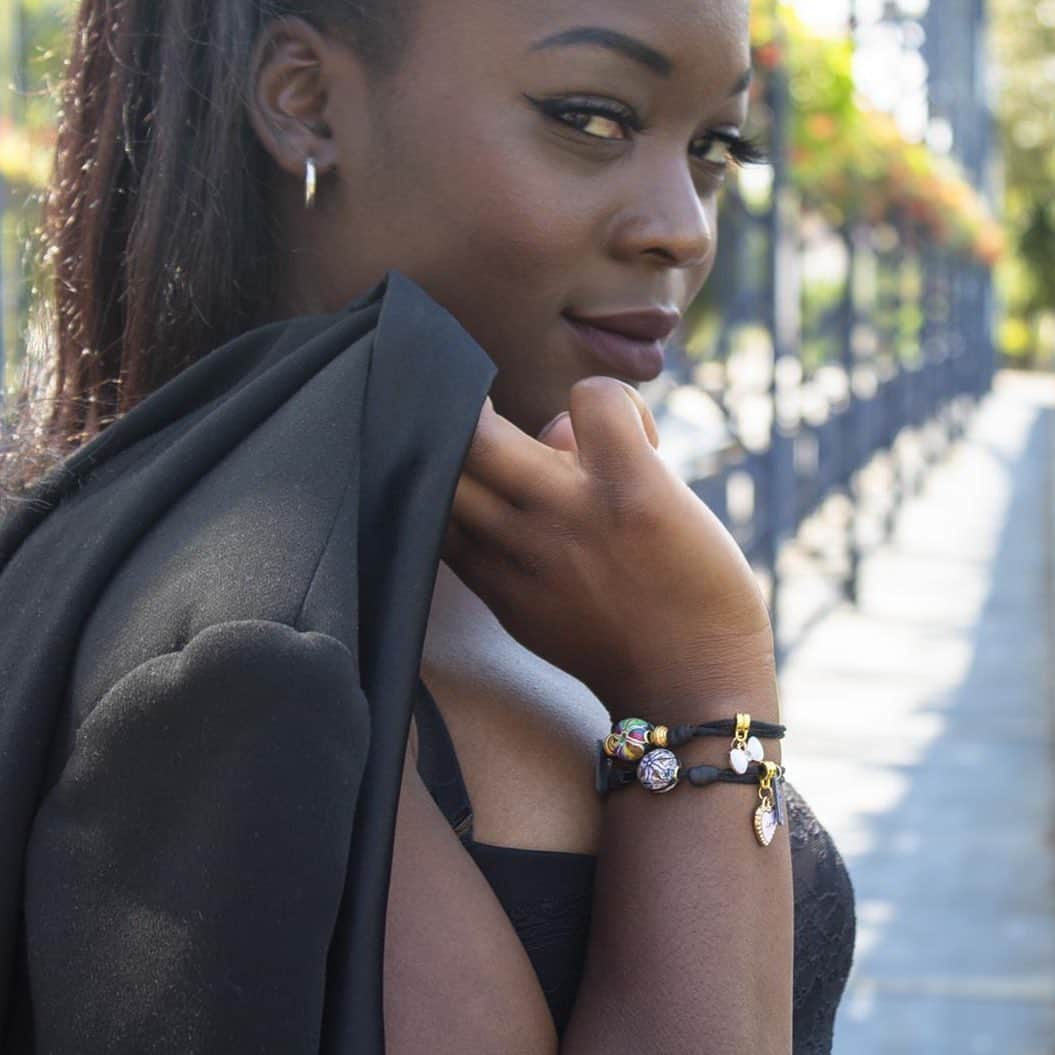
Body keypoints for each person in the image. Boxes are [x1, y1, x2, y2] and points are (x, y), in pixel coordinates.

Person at [0, 1, 855, 1052]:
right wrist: (705, 694)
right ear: (304, 101)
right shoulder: (260, 658)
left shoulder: (503, 572)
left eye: (715, 146)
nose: (682, 225)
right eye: (589, 118)